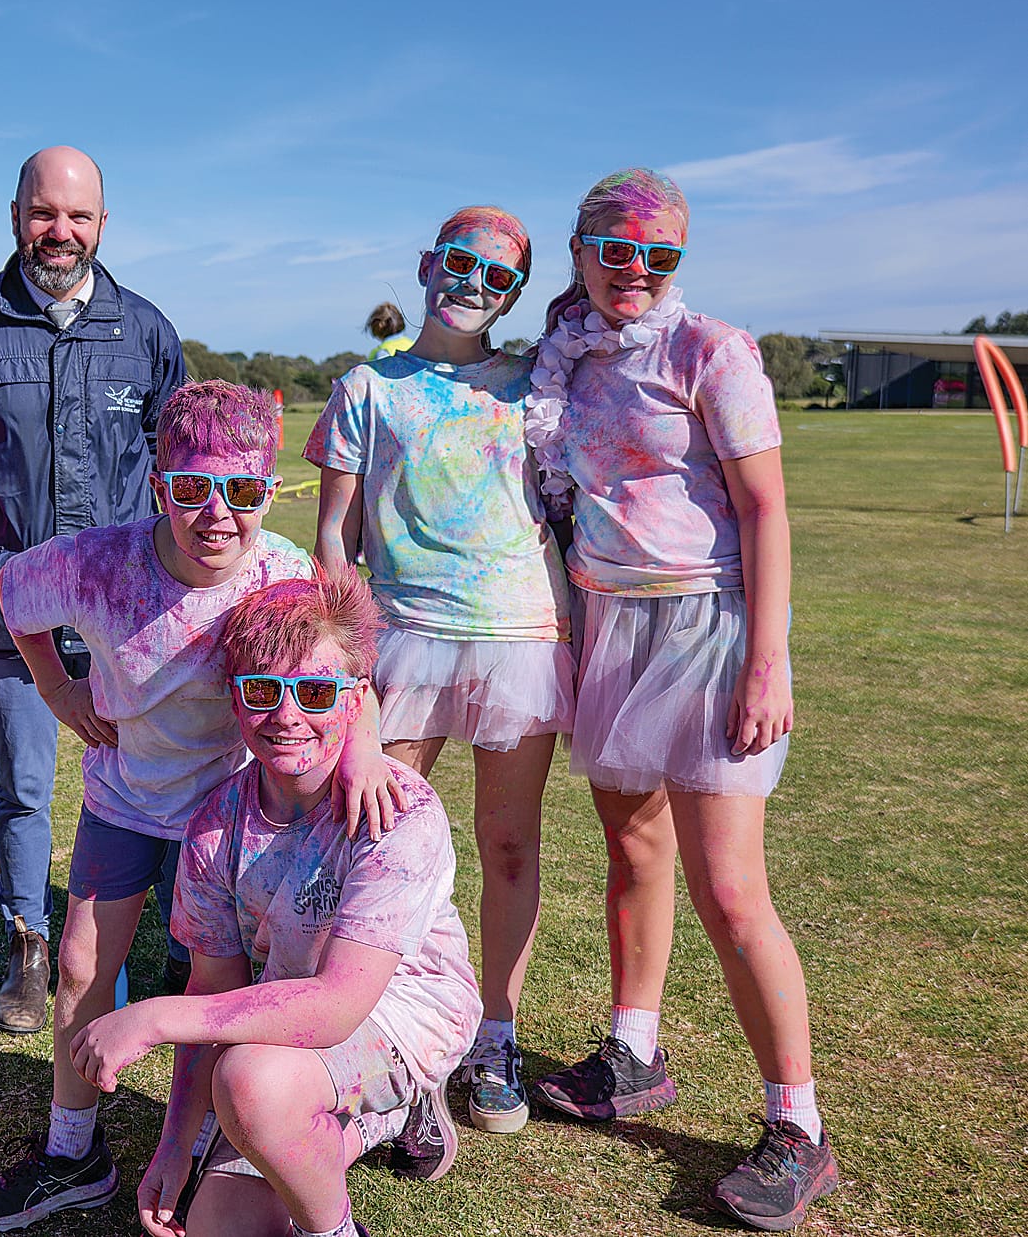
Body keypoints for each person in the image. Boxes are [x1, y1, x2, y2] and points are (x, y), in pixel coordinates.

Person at [0, 380, 399, 1231]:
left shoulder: (284, 572)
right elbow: (13, 596)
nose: (215, 514)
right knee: (83, 965)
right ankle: (70, 1149)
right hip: (127, 798)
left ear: (270, 492)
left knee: (235, 983)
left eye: (240, 491)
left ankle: (223, 1141)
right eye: (190, 488)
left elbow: (345, 670)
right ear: (158, 484)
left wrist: (368, 746)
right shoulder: (95, 561)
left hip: (241, 810)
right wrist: (57, 685)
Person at [523, 168, 838, 1230]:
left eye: (659, 256)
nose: (636, 273)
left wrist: (766, 659)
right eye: (616, 251)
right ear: (579, 250)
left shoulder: (711, 349)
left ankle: (796, 1124)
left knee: (729, 888)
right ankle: (632, 1055)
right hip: (609, 625)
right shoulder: (558, 359)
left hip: (707, 627)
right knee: (631, 855)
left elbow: (764, 510)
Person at [70, 569, 480, 1237]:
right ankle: (373, 1120)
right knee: (217, 1225)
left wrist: (152, 1017)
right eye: (261, 691)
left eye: (315, 692)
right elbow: (215, 986)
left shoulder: (397, 813)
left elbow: (338, 1002)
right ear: (234, 700)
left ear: (354, 699)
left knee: (252, 1083)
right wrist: (177, 1144)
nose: (286, 716)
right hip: (283, 1020)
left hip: (399, 1010)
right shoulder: (214, 823)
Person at [0, 146, 188, 1033]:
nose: (60, 231)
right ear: (14, 213)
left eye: (78, 216)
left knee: (155, 775)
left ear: (103, 223)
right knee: (24, 786)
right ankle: (27, 940)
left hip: (128, 613)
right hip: (6, 609)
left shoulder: (146, 333)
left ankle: (168, 946)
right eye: (43, 212)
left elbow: (172, 458)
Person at [307, 207, 572, 1135]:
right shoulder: (366, 387)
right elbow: (333, 532)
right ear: (426, 265)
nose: (473, 284)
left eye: (498, 277)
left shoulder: (536, 379)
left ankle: (494, 1033)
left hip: (516, 638)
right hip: (405, 637)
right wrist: (342, 653)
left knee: (507, 846)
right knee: (378, 845)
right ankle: (381, 1027)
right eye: (458, 263)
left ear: (515, 294)